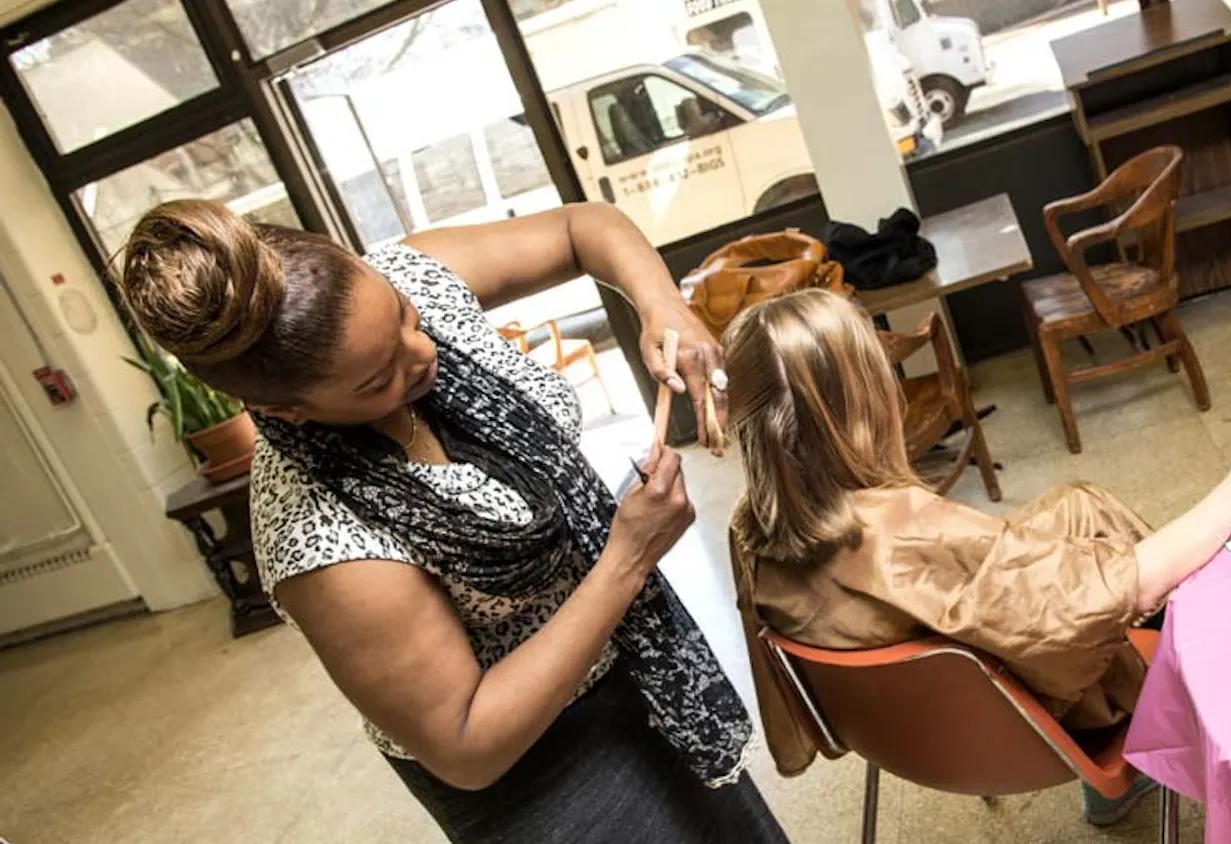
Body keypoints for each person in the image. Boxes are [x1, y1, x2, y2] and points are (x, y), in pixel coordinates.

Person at [117, 199, 789, 844]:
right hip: (540, 770)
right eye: (378, 379)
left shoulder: (410, 273)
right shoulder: (317, 538)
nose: (422, 354)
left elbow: (586, 226)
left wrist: (663, 307)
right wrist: (626, 561)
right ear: (290, 410)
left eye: (405, 318)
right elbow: (467, 746)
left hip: (634, 665)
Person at [722, 290, 1231, 823]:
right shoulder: (908, 534)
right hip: (1033, 719)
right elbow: (1129, 588)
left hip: (907, 726)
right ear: (862, 405)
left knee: (1081, 507)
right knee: (1153, 581)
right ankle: (1210, 724)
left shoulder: (752, 531)